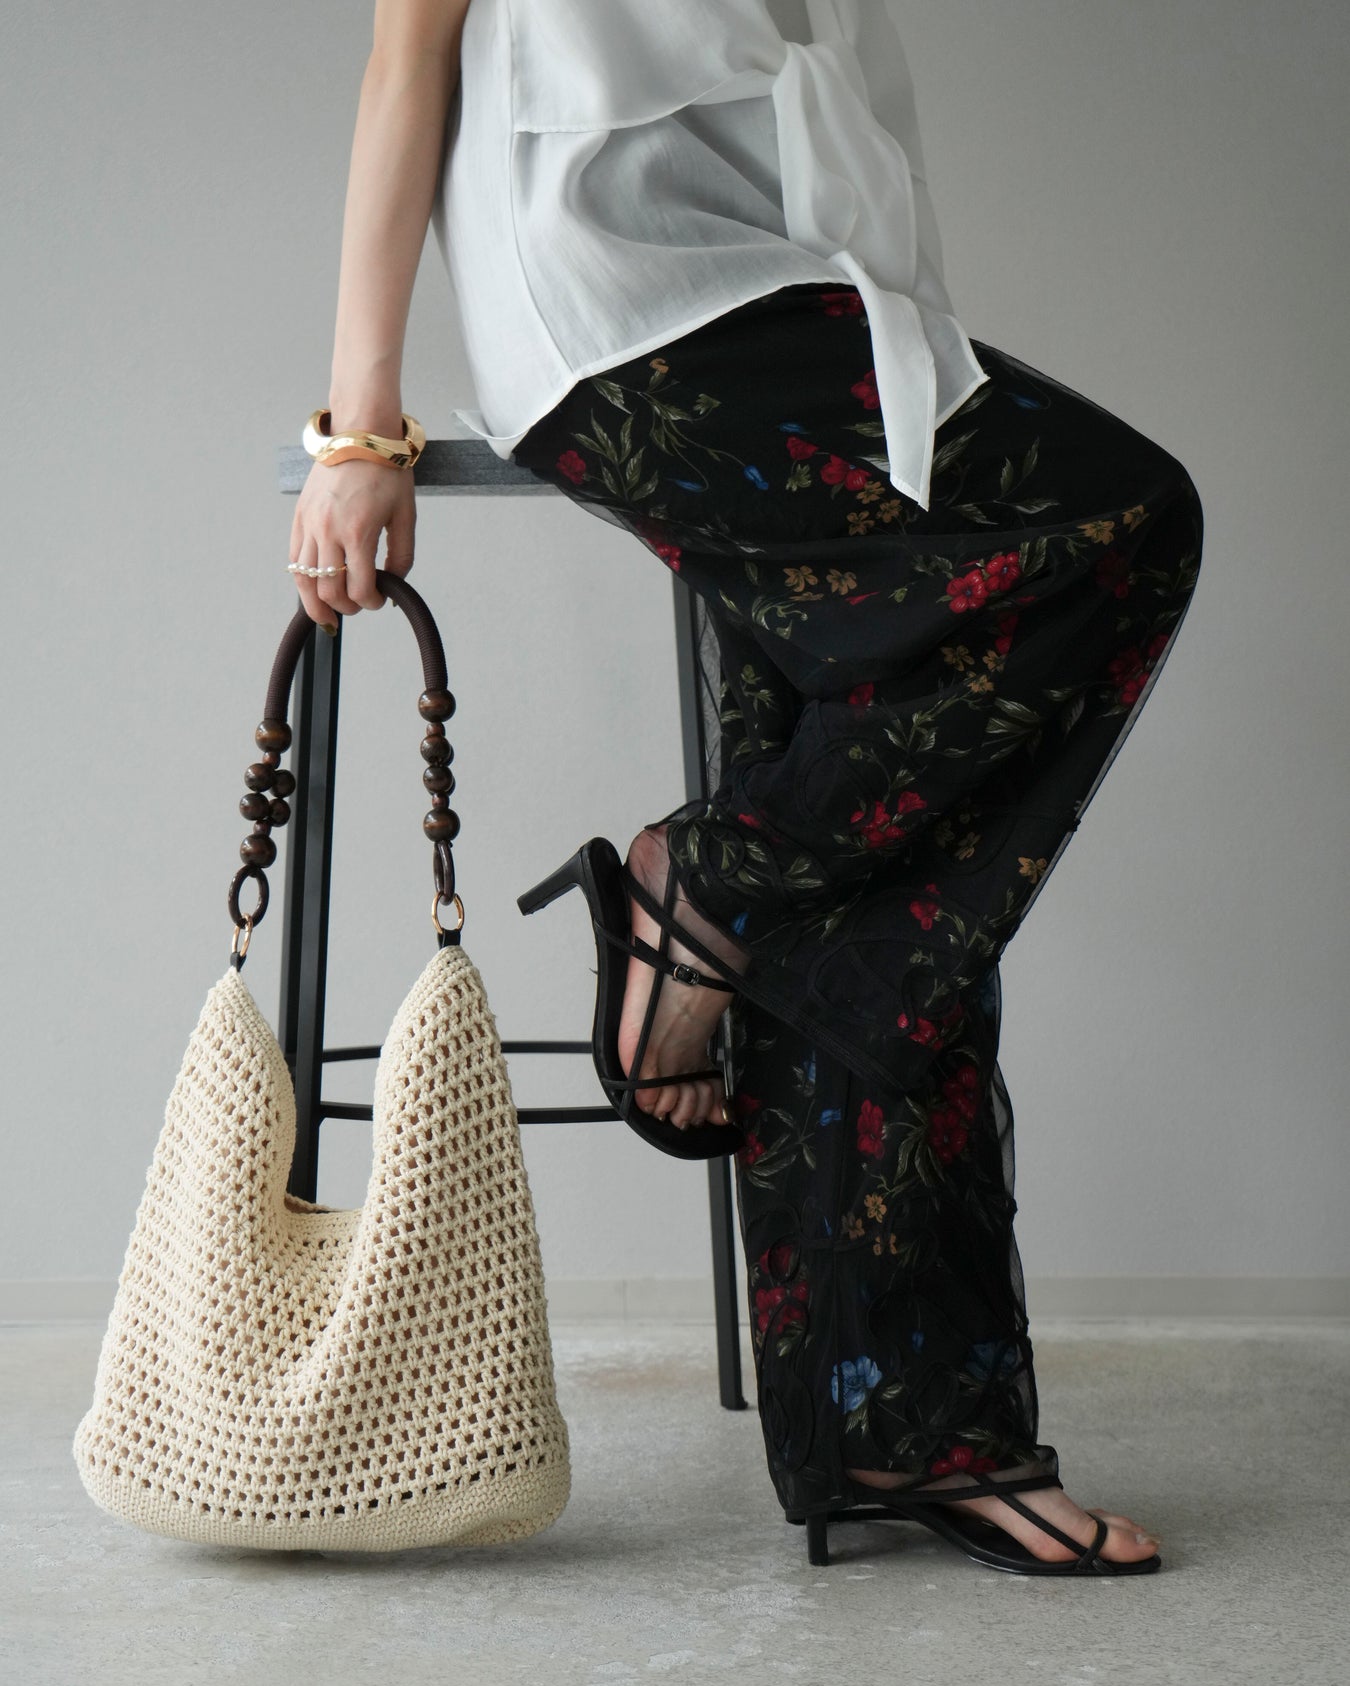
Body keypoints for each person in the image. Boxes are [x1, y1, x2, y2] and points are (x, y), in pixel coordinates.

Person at [289, 0, 1203, 1575]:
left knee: (892, 881)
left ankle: (904, 1426)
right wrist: (359, 427)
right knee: (1120, 521)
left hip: (796, 270)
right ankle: (706, 886)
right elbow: (406, 51)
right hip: (627, 304)